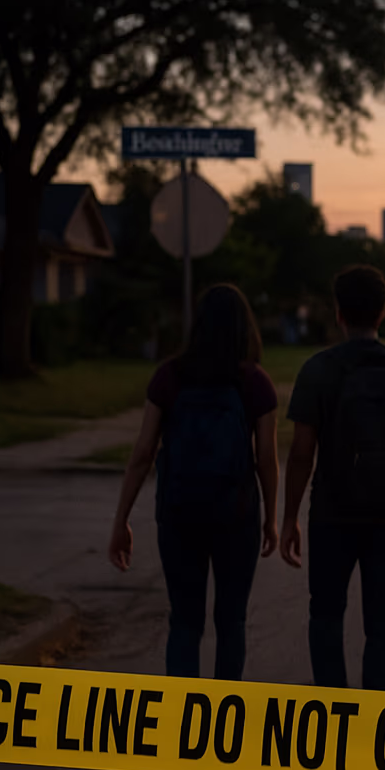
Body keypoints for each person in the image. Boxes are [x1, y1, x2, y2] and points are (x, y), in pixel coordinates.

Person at [108, 283, 280, 681]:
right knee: (231, 622)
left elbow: (142, 453)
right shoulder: (255, 383)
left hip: (179, 513)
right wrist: (271, 517)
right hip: (237, 516)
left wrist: (122, 520)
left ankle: (181, 723)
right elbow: (267, 460)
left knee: (185, 622)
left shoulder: (170, 376)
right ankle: (224, 725)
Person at [280, 265, 385, 690]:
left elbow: (300, 453)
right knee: (384, 623)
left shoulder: (318, 370)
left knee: (326, 615)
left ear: (339, 313)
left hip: (333, 513)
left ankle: (335, 718)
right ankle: (376, 725)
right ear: (382, 314)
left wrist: (289, 517)